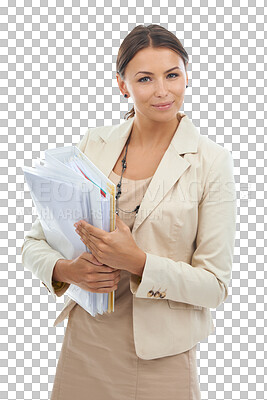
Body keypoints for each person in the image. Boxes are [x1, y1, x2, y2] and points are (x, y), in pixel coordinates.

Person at [21, 24, 237, 400]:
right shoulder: (94, 144)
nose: (162, 91)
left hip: (160, 358)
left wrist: (138, 262)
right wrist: (66, 271)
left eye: (172, 75)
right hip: (85, 344)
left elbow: (214, 287)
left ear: (187, 75)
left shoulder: (211, 163)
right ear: (123, 85)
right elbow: (35, 242)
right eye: (145, 78)